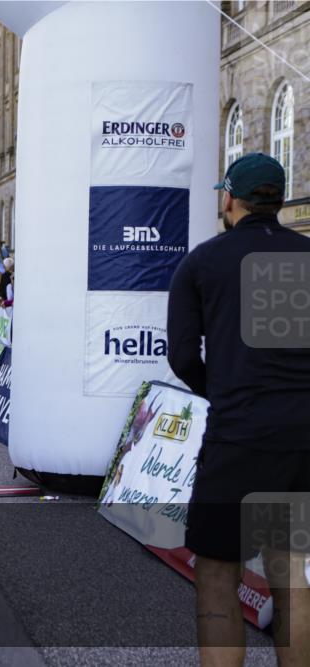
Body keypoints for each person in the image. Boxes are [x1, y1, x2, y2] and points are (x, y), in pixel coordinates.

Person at [167, 153, 310, 666]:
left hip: (240, 438)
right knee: (289, 572)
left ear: (228, 198)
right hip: (301, 440)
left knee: (217, 573)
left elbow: (183, 356)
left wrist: (223, 391)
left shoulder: (203, 262)